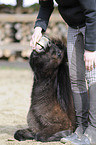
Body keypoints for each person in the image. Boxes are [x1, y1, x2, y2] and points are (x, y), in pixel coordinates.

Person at [30, 0, 96, 144]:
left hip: (93, 24)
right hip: (74, 27)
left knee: (92, 76)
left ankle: (93, 131)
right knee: (76, 78)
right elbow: (46, 4)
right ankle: (81, 128)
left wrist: (91, 48)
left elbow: (93, 11)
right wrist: (38, 28)